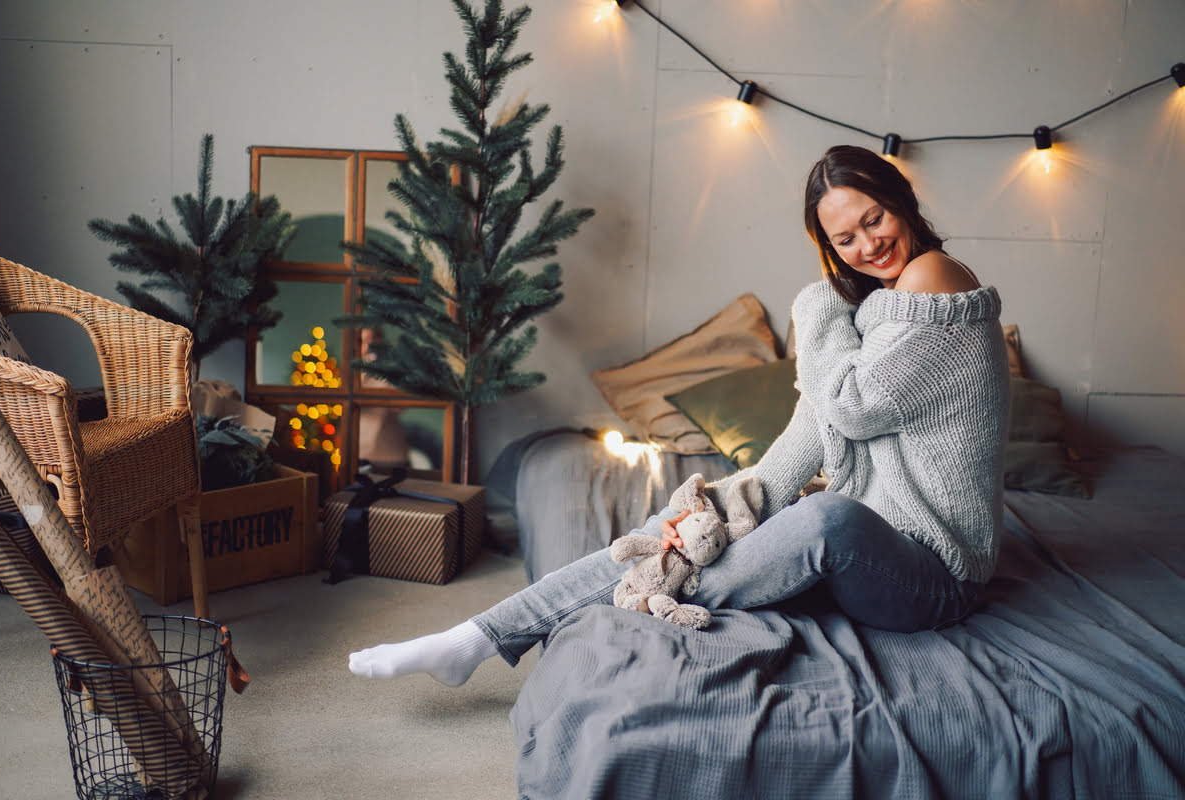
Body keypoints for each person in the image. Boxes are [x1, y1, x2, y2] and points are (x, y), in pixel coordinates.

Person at [347, 144, 1010, 687]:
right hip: (876, 556)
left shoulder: (934, 278)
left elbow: (851, 408)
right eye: (846, 239)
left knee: (823, 518)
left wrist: (818, 304)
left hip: (933, 578)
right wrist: (717, 509)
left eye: (875, 219)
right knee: (680, 528)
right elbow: (806, 439)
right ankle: (477, 637)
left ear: (901, 201)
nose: (868, 244)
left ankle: (632, 605)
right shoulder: (870, 317)